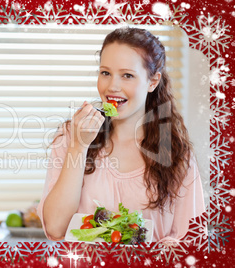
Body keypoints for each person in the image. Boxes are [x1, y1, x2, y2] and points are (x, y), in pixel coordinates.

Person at [37, 27, 205, 243]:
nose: (112, 86)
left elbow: (192, 239)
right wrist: (79, 146)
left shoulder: (176, 152)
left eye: (127, 75)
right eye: (105, 73)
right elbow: (55, 228)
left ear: (152, 81)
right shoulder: (71, 136)